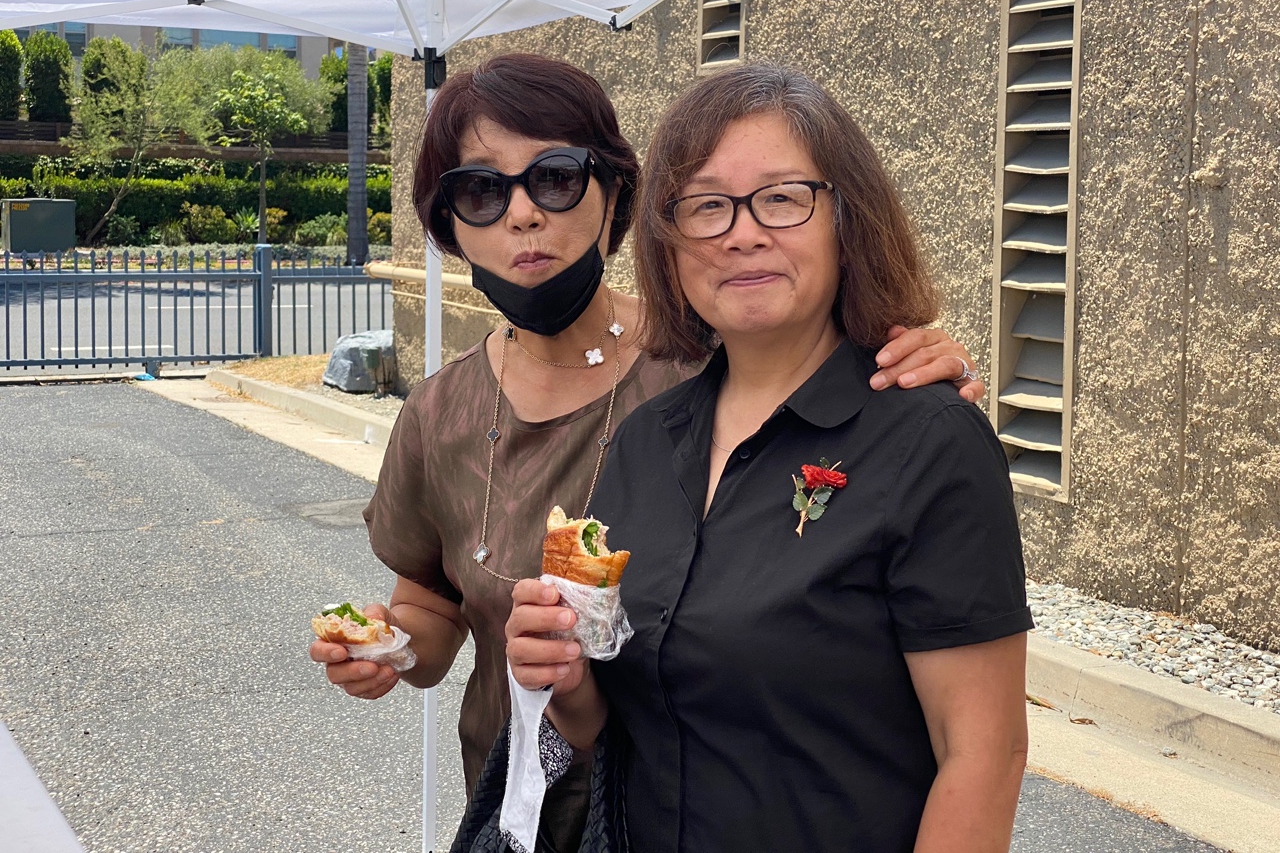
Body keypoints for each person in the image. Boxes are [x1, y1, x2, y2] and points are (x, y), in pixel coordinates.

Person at [309, 54, 986, 845]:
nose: (522, 214)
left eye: (554, 178)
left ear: (615, 196)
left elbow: (839, 382)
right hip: (522, 812)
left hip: (690, 808)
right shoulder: (439, 411)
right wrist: (387, 649)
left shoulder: (713, 362)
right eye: (482, 191)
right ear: (449, 225)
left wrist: (918, 361)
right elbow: (429, 604)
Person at [506, 63, 1032, 852]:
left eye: (783, 198)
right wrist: (561, 672)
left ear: (847, 220)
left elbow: (984, 753)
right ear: (669, 245)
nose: (743, 232)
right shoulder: (646, 441)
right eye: (707, 205)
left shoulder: (928, 441)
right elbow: (609, 722)